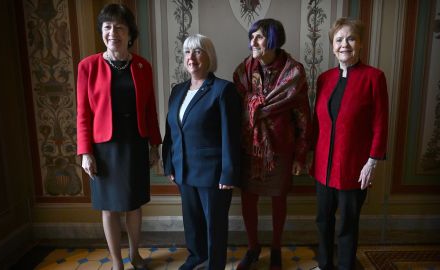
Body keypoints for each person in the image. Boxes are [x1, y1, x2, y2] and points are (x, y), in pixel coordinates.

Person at [76, 4, 161, 270]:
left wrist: (154, 146)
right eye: (107, 27)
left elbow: (149, 109)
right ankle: (116, 262)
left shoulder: (142, 66)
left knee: (134, 204)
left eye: (119, 27)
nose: (113, 32)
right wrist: (85, 152)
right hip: (103, 148)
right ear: (102, 31)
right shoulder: (88, 67)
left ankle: (135, 256)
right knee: (109, 208)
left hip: (135, 143)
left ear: (130, 34)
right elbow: (83, 113)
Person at [309, 17, 389, 269]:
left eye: (351, 38)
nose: (345, 44)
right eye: (339, 39)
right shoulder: (325, 78)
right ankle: (324, 265)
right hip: (323, 166)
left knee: (347, 224)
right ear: (333, 46)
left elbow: (380, 122)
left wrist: (372, 162)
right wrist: (309, 155)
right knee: (323, 220)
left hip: (354, 168)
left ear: (361, 44)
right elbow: (317, 122)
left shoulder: (374, 77)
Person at [233, 18, 312, 270]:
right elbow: (236, 110)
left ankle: (276, 248)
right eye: (251, 36)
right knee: (248, 199)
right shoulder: (243, 71)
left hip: (280, 148)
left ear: (274, 39)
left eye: (259, 37)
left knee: (279, 198)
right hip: (249, 148)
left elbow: (303, 116)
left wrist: (301, 156)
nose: (252, 42)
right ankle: (253, 247)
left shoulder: (294, 72)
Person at [162, 34, 242, 270]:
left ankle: (214, 264)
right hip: (183, 170)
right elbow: (171, 131)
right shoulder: (177, 90)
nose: (191, 57)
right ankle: (196, 257)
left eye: (197, 51)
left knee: (214, 225)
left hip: (213, 174)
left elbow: (231, 135)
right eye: (187, 52)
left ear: (209, 57)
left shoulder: (223, 90)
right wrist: (169, 163)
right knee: (193, 222)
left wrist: (228, 173)